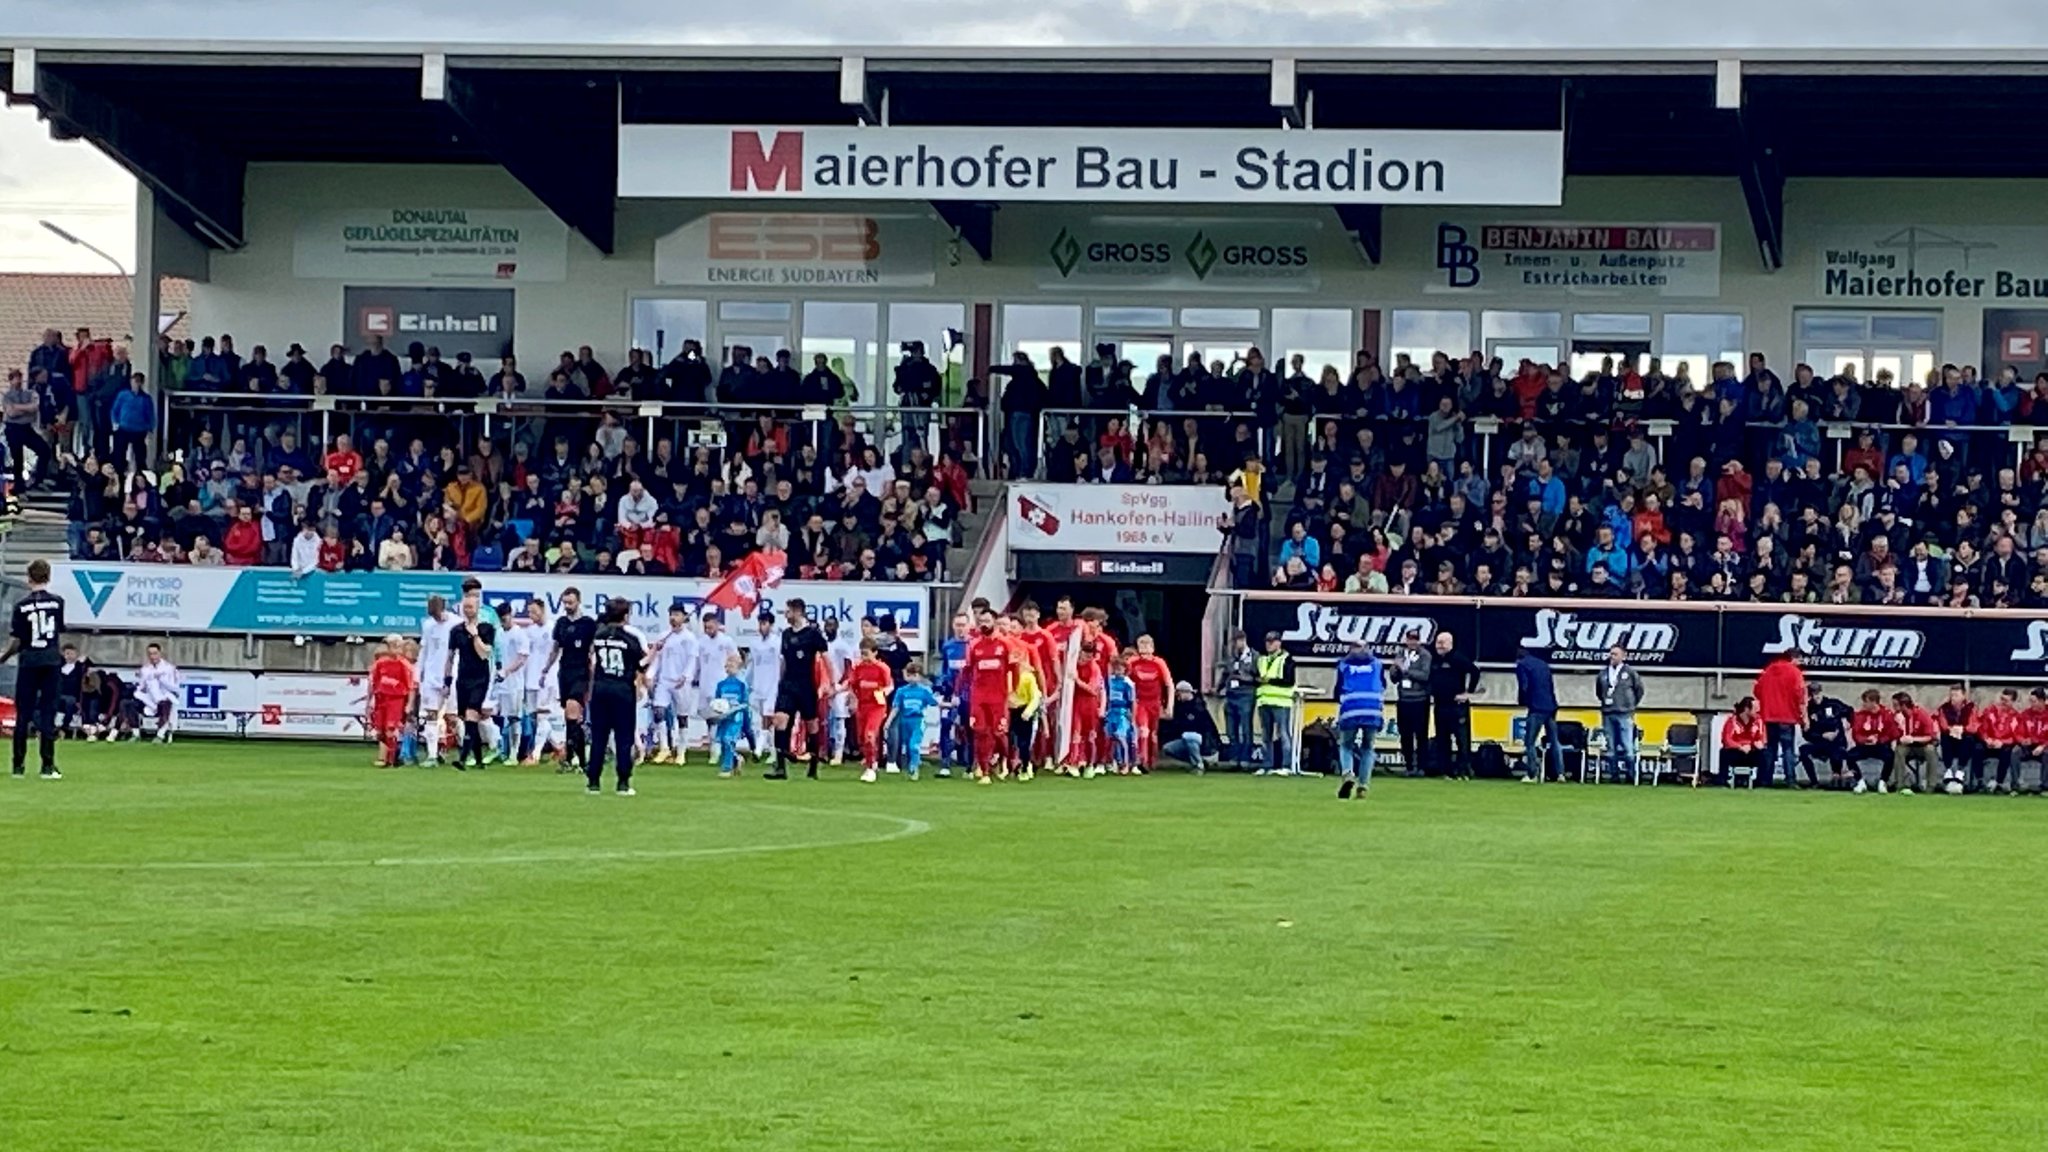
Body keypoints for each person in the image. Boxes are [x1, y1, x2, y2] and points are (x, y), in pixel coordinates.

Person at [0, 558, 66, 778]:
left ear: (28, 578)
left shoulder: (22, 606)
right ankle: (47, 766)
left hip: (29, 661)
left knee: (23, 713)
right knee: (48, 712)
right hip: (51, 660)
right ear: (48, 577)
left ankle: (18, 766)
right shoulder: (58, 602)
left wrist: (4, 656)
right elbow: (57, 632)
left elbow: (18, 640)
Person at [585, 599, 646, 795]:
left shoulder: (598, 636)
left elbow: (592, 662)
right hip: (622, 690)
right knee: (623, 737)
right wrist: (655, 652)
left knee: (598, 738)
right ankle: (623, 782)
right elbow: (642, 664)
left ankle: (593, 781)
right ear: (625, 615)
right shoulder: (630, 639)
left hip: (601, 689)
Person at [768, 598, 830, 780]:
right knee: (780, 721)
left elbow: (826, 659)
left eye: (787, 612)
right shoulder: (786, 634)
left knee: (812, 726)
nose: (785, 615)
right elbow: (784, 660)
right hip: (788, 685)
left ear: (797, 612)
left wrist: (830, 683)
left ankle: (813, 766)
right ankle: (780, 766)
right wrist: (780, 682)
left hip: (806, 685)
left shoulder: (813, 634)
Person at [546, 588, 597, 774]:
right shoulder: (561, 623)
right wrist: (546, 669)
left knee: (573, 711)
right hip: (565, 672)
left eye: (571, 603)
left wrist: (592, 676)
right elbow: (555, 648)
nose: (567, 606)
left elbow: (593, 650)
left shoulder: (588, 624)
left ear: (578, 602)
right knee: (570, 718)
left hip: (580, 672)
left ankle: (575, 760)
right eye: (565, 603)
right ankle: (578, 761)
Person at [965, 608, 1018, 785]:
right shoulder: (974, 645)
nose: (983, 625)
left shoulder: (1005, 644)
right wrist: (959, 693)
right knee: (980, 732)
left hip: (999, 696)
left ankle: (1006, 759)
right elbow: (967, 671)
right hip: (979, 696)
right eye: (981, 622)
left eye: (987, 621)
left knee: (999, 733)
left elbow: (1014, 670)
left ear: (994, 622)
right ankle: (984, 769)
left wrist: (1013, 692)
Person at [445, 594, 497, 771]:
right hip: (463, 678)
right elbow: (450, 657)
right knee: (468, 720)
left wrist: (475, 636)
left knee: (471, 715)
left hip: (480, 677)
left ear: (477, 609)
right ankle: (480, 760)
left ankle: (463, 758)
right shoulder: (456, 631)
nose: (467, 611)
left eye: (471, 607)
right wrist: (447, 680)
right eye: (465, 607)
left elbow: (485, 653)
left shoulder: (486, 629)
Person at [1334, 639, 1387, 800]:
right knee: (1368, 748)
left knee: (1346, 745)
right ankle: (1363, 786)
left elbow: (1337, 689)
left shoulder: (1343, 665)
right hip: (1372, 709)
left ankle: (1348, 773)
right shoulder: (1377, 664)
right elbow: (1383, 684)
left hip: (1351, 708)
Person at [646, 601, 697, 765]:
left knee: (682, 717)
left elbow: (692, 659)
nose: (673, 618)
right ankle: (664, 748)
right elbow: (657, 659)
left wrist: (686, 676)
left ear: (684, 617)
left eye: (676, 615)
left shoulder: (689, 638)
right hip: (665, 681)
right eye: (671, 615)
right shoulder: (663, 636)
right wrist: (651, 674)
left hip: (681, 682)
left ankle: (681, 751)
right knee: (659, 711)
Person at [1752, 648, 1809, 788]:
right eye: (1799, 660)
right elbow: (1800, 697)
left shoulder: (1769, 670)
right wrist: (1804, 719)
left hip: (1769, 716)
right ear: (1794, 658)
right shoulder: (1795, 673)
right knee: (1788, 749)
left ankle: (1766, 780)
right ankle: (1790, 780)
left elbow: (1757, 691)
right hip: (1787, 717)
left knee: (1770, 748)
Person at [1427, 631, 1480, 779]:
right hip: (1440, 705)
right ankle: (1446, 771)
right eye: (1438, 642)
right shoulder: (1434, 660)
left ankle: (1464, 771)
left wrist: (1469, 693)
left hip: (1457, 707)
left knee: (1462, 740)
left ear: (1450, 644)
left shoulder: (1458, 658)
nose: (1439, 645)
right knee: (1442, 740)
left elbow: (1475, 672)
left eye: (1443, 642)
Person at [843, 636, 895, 783]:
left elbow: (890, 685)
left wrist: (883, 692)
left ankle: (871, 768)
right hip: (862, 705)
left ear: (875, 653)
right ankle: (870, 760)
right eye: (862, 653)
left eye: (866, 654)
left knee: (870, 735)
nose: (864, 657)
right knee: (861, 738)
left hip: (876, 706)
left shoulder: (882, 668)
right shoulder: (858, 668)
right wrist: (851, 697)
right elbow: (853, 685)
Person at [1594, 643, 1645, 784]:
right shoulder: (1603, 673)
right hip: (1608, 713)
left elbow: (1639, 690)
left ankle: (1631, 776)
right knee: (1610, 746)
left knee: (1627, 746)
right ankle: (1614, 776)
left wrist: (1630, 705)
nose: (1612, 656)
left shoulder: (1630, 673)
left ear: (1623, 656)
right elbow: (1599, 692)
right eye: (1611, 654)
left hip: (1624, 713)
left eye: (1615, 654)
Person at [416, 594, 458, 766]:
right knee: (431, 715)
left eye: (437, 614)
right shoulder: (428, 625)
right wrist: (419, 672)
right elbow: (424, 650)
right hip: (432, 677)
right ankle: (432, 755)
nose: (435, 617)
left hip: (452, 675)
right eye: (432, 615)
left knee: (453, 717)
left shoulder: (456, 623)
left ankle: (463, 752)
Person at [1515, 639, 1561, 783]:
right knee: (1555, 742)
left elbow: (1524, 685)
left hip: (1536, 707)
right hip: (1551, 706)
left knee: (1529, 742)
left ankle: (1532, 774)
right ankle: (1560, 773)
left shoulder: (1522, 665)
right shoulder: (1543, 664)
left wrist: (1522, 701)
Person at [368, 635, 416, 768]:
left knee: (391, 729)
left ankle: (391, 759)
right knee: (381, 731)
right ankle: (392, 756)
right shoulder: (380, 663)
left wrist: (409, 704)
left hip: (396, 700)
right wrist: (370, 702)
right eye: (391, 645)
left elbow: (411, 686)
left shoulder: (404, 665)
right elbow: (374, 683)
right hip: (381, 699)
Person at [1391, 629, 1434, 777]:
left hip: (1420, 700)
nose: (1412, 642)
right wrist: (1395, 669)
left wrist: (1405, 670)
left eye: (1415, 639)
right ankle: (1409, 766)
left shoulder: (1425, 655)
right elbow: (1394, 678)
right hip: (1403, 699)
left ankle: (1422, 766)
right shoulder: (1401, 654)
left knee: (1421, 735)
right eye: (1410, 639)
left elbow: (1424, 676)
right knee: (1405, 735)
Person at [1125, 635, 1172, 770]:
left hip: (1154, 703)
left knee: (1153, 734)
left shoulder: (1159, 663)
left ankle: (1152, 761)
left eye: (1147, 647)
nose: (1144, 650)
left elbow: (1169, 684)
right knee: (1143, 730)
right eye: (1141, 647)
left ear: (1152, 648)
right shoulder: (1133, 662)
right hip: (1140, 702)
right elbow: (1125, 681)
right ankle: (1141, 760)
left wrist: (1169, 706)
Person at [887, 661, 940, 780]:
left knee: (913, 746)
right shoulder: (902, 691)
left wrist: (947, 704)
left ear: (920, 676)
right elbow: (896, 707)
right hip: (905, 721)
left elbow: (935, 702)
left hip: (918, 720)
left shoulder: (925, 690)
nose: (911, 678)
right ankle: (914, 763)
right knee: (907, 745)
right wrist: (888, 722)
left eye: (914, 675)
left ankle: (914, 768)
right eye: (909, 675)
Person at [1253, 630, 1296, 776]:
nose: (1269, 644)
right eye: (1267, 641)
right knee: (1266, 735)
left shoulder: (1287, 659)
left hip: (1281, 701)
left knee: (1283, 733)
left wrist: (1269, 680)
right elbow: (1256, 677)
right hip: (1264, 700)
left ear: (1279, 642)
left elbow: (1289, 680)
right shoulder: (1262, 659)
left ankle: (1286, 765)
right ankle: (1267, 765)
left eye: (1272, 641)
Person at [1801, 682, 1855, 789]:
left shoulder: (1834, 704)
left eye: (1817, 693)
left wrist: (1848, 722)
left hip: (1837, 741)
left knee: (1837, 750)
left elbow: (1850, 711)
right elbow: (1806, 734)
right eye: (1812, 694)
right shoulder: (1808, 710)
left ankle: (1837, 777)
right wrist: (1821, 736)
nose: (1816, 697)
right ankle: (1814, 782)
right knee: (1803, 751)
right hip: (1820, 742)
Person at [746, 611, 784, 761]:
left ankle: (758, 750)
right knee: (765, 719)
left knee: (768, 718)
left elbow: (782, 663)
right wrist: (747, 682)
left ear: (771, 625)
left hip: (773, 685)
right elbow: (752, 665)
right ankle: (773, 752)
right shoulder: (755, 643)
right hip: (759, 685)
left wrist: (781, 681)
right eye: (760, 624)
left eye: (764, 624)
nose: (761, 627)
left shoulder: (777, 642)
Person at [1846, 688, 1900, 794]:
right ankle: (1860, 782)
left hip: (1881, 746)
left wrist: (1879, 740)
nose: (1864, 704)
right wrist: (1865, 740)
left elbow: (1893, 733)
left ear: (1873, 702)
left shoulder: (1887, 715)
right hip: (1864, 746)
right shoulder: (1860, 715)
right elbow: (1856, 733)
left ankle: (1882, 782)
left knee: (1890, 756)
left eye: (1866, 702)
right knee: (1850, 755)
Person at [1160, 681, 1221, 774]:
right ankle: (1198, 760)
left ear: (1186, 692)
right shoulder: (1181, 707)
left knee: (1190, 736)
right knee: (1168, 748)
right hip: (1190, 741)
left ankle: (1198, 766)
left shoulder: (1199, 707)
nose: (1177, 696)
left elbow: (1204, 730)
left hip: (1206, 746)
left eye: (1179, 693)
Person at [1218, 629, 1258, 768]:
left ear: (1243, 640)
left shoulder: (1254, 656)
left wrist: (1242, 677)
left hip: (1246, 695)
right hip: (1231, 695)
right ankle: (1234, 758)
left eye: (1237, 641)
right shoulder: (1231, 658)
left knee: (1246, 728)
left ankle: (1245, 758)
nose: (1236, 644)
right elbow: (1224, 675)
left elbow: (1257, 676)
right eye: (1234, 642)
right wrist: (1218, 688)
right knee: (1231, 729)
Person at [1972, 688, 2023, 794]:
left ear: (2012, 702)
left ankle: (1999, 783)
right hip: (1989, 744)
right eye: (2002, 699)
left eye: (2006, 700)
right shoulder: (1990, 711)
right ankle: (1979, 781)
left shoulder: (2015, 716)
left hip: (2002, 746)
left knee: (2008, 751)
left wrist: (2002, 742)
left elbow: (2015, 736)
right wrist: (1987, 739)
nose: (2003, 702)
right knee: (1977, 748)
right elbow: (1982, 729)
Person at [1889, 691, 1940, 795]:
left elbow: (1930, 736)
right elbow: (1893, 735)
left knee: (1931, 750)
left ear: (1903, 705)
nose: (1894, 708)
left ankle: (1931, 786)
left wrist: (1913, 739)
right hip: (1907, 746)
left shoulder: (1921, 714)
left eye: (1896, 705)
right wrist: (1899, 727)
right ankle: (1900, 785)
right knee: (1899, 750)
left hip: (1922, 745)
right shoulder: (1897, 717)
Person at [710, 651, 751, 778]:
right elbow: (717, 702)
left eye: (732, 665)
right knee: (723, 741)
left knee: (728, 740)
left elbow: (745, 703)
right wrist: (717, 712)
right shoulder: (721, 685)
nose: (729, 668)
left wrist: (734, 710)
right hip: (724, 719)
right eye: (727, 665)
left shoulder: (742, 684)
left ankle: (726, 768)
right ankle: (737, 759)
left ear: (738, 667)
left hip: (736, 718)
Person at [131, 642, 180, 744]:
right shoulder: (145, 669)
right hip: (150, 699)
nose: (152, 656)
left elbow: (176, 688)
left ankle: (160, 735)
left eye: (155, 653)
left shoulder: (169, 668)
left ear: (160, 653)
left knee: (166, 703)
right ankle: (135, 734)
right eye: (150, 654)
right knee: (127, 703)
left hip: (165, 697)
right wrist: (138, 691)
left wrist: (162, 681)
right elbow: (142, 687)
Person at [1936, 685, 1979, 793]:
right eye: (1951, 695)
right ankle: (1949, 769)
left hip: (1964, 740)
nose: (1953, 698)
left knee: (1969, 739)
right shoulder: (1944, 708)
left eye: (1956, 695)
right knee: (1944, 737)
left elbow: (1974, 726)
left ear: (1963, 696)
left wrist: (1962, 729)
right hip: (1950, 739)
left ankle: (1960, 770)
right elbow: (1942, 724)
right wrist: (1952, 729)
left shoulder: (1971, 708)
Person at [1719, 697, 1767, 785]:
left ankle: (1762, 782)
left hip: (1751, 751)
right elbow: (1727, 740)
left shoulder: (1758, 720)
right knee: (1724, 752)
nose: (1757, 712)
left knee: (1765, 754)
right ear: (1746, 709)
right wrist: (1740, 747)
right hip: (1736, 752)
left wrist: (1756, 744)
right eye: (1755, 709)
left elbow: (1762, 738)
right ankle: (1722, 781)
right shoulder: (1732, 721)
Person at [1104, 655, 1139, 775]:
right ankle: (1115, 762)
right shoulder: (1110, 680)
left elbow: (1133, 701)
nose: (1118, 670)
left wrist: (1132, 717)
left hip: (1122, 712)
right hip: (1111, 712)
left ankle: (1126, 764)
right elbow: (1106, 696)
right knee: (1111, 737)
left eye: (1120, 668)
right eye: (1116, 668)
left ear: (1125, 669)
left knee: (1121, 737)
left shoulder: (1128, 683)